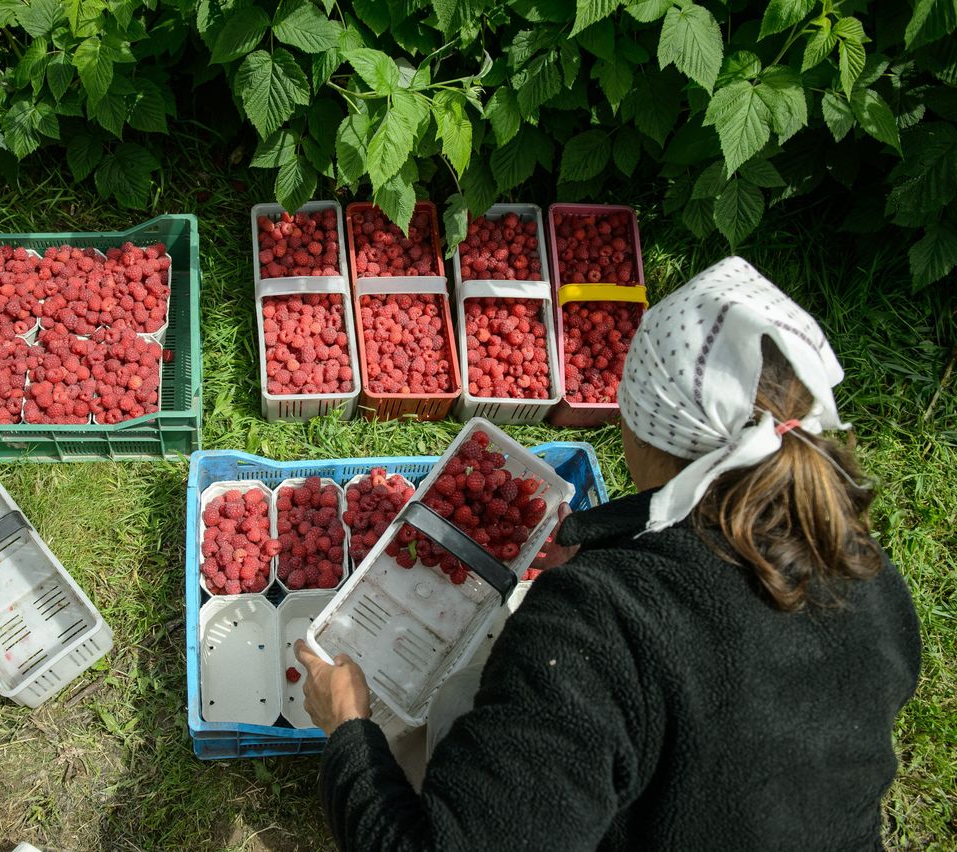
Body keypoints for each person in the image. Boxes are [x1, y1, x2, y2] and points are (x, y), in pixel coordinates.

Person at [293, 256, 921, 851]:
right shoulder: (870, 579)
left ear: (639, 422)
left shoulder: (594, 629)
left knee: (459, 701)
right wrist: (606, 544)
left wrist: (350, 730)